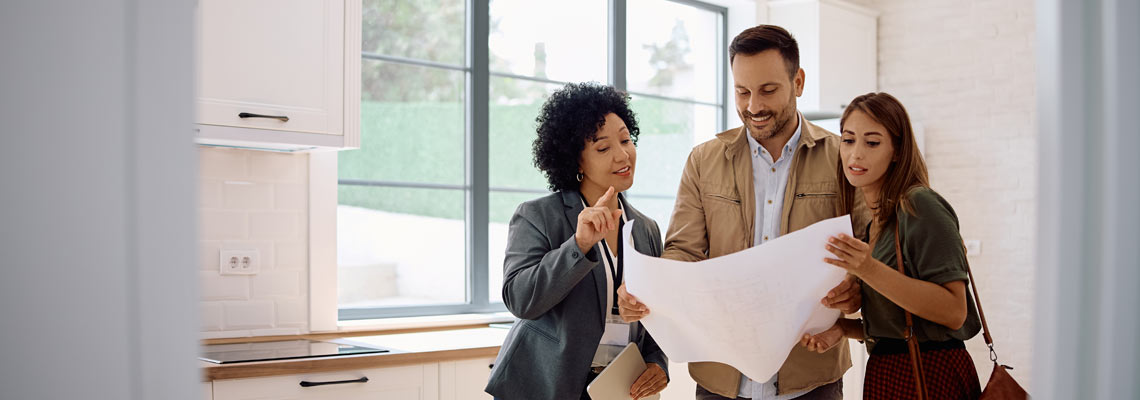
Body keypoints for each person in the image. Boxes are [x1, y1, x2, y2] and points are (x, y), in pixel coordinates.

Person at [618, 25, 868, 400]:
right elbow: (684, 251)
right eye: (742, 91)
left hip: (811, 376)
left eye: (768, 90)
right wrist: (649, 291)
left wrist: (856, 288)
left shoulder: (842, 158)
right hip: (720, 378)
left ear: (798, 82)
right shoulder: (703, 160)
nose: (753, 107)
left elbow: (870, 248)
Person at [485, 82, 669, 400]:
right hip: (545, 387)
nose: (622, 154)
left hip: (616, 388)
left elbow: (658, 311)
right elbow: (521, 300)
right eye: (603, 148)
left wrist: (657, 362)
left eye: (626, 140)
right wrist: (578, 245)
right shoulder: (538, 215)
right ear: (577, 160)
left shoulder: (646, 229)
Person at [799, 92, 983, 399]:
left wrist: (868, 269)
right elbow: (900, 326)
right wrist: (844, 329)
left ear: (897, 151)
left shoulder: (919, 205)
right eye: (848, 140)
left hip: (928, 376)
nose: (856, 154)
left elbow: (954, 312)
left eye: (872, 143)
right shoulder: (878, 222)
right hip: (889, 373)